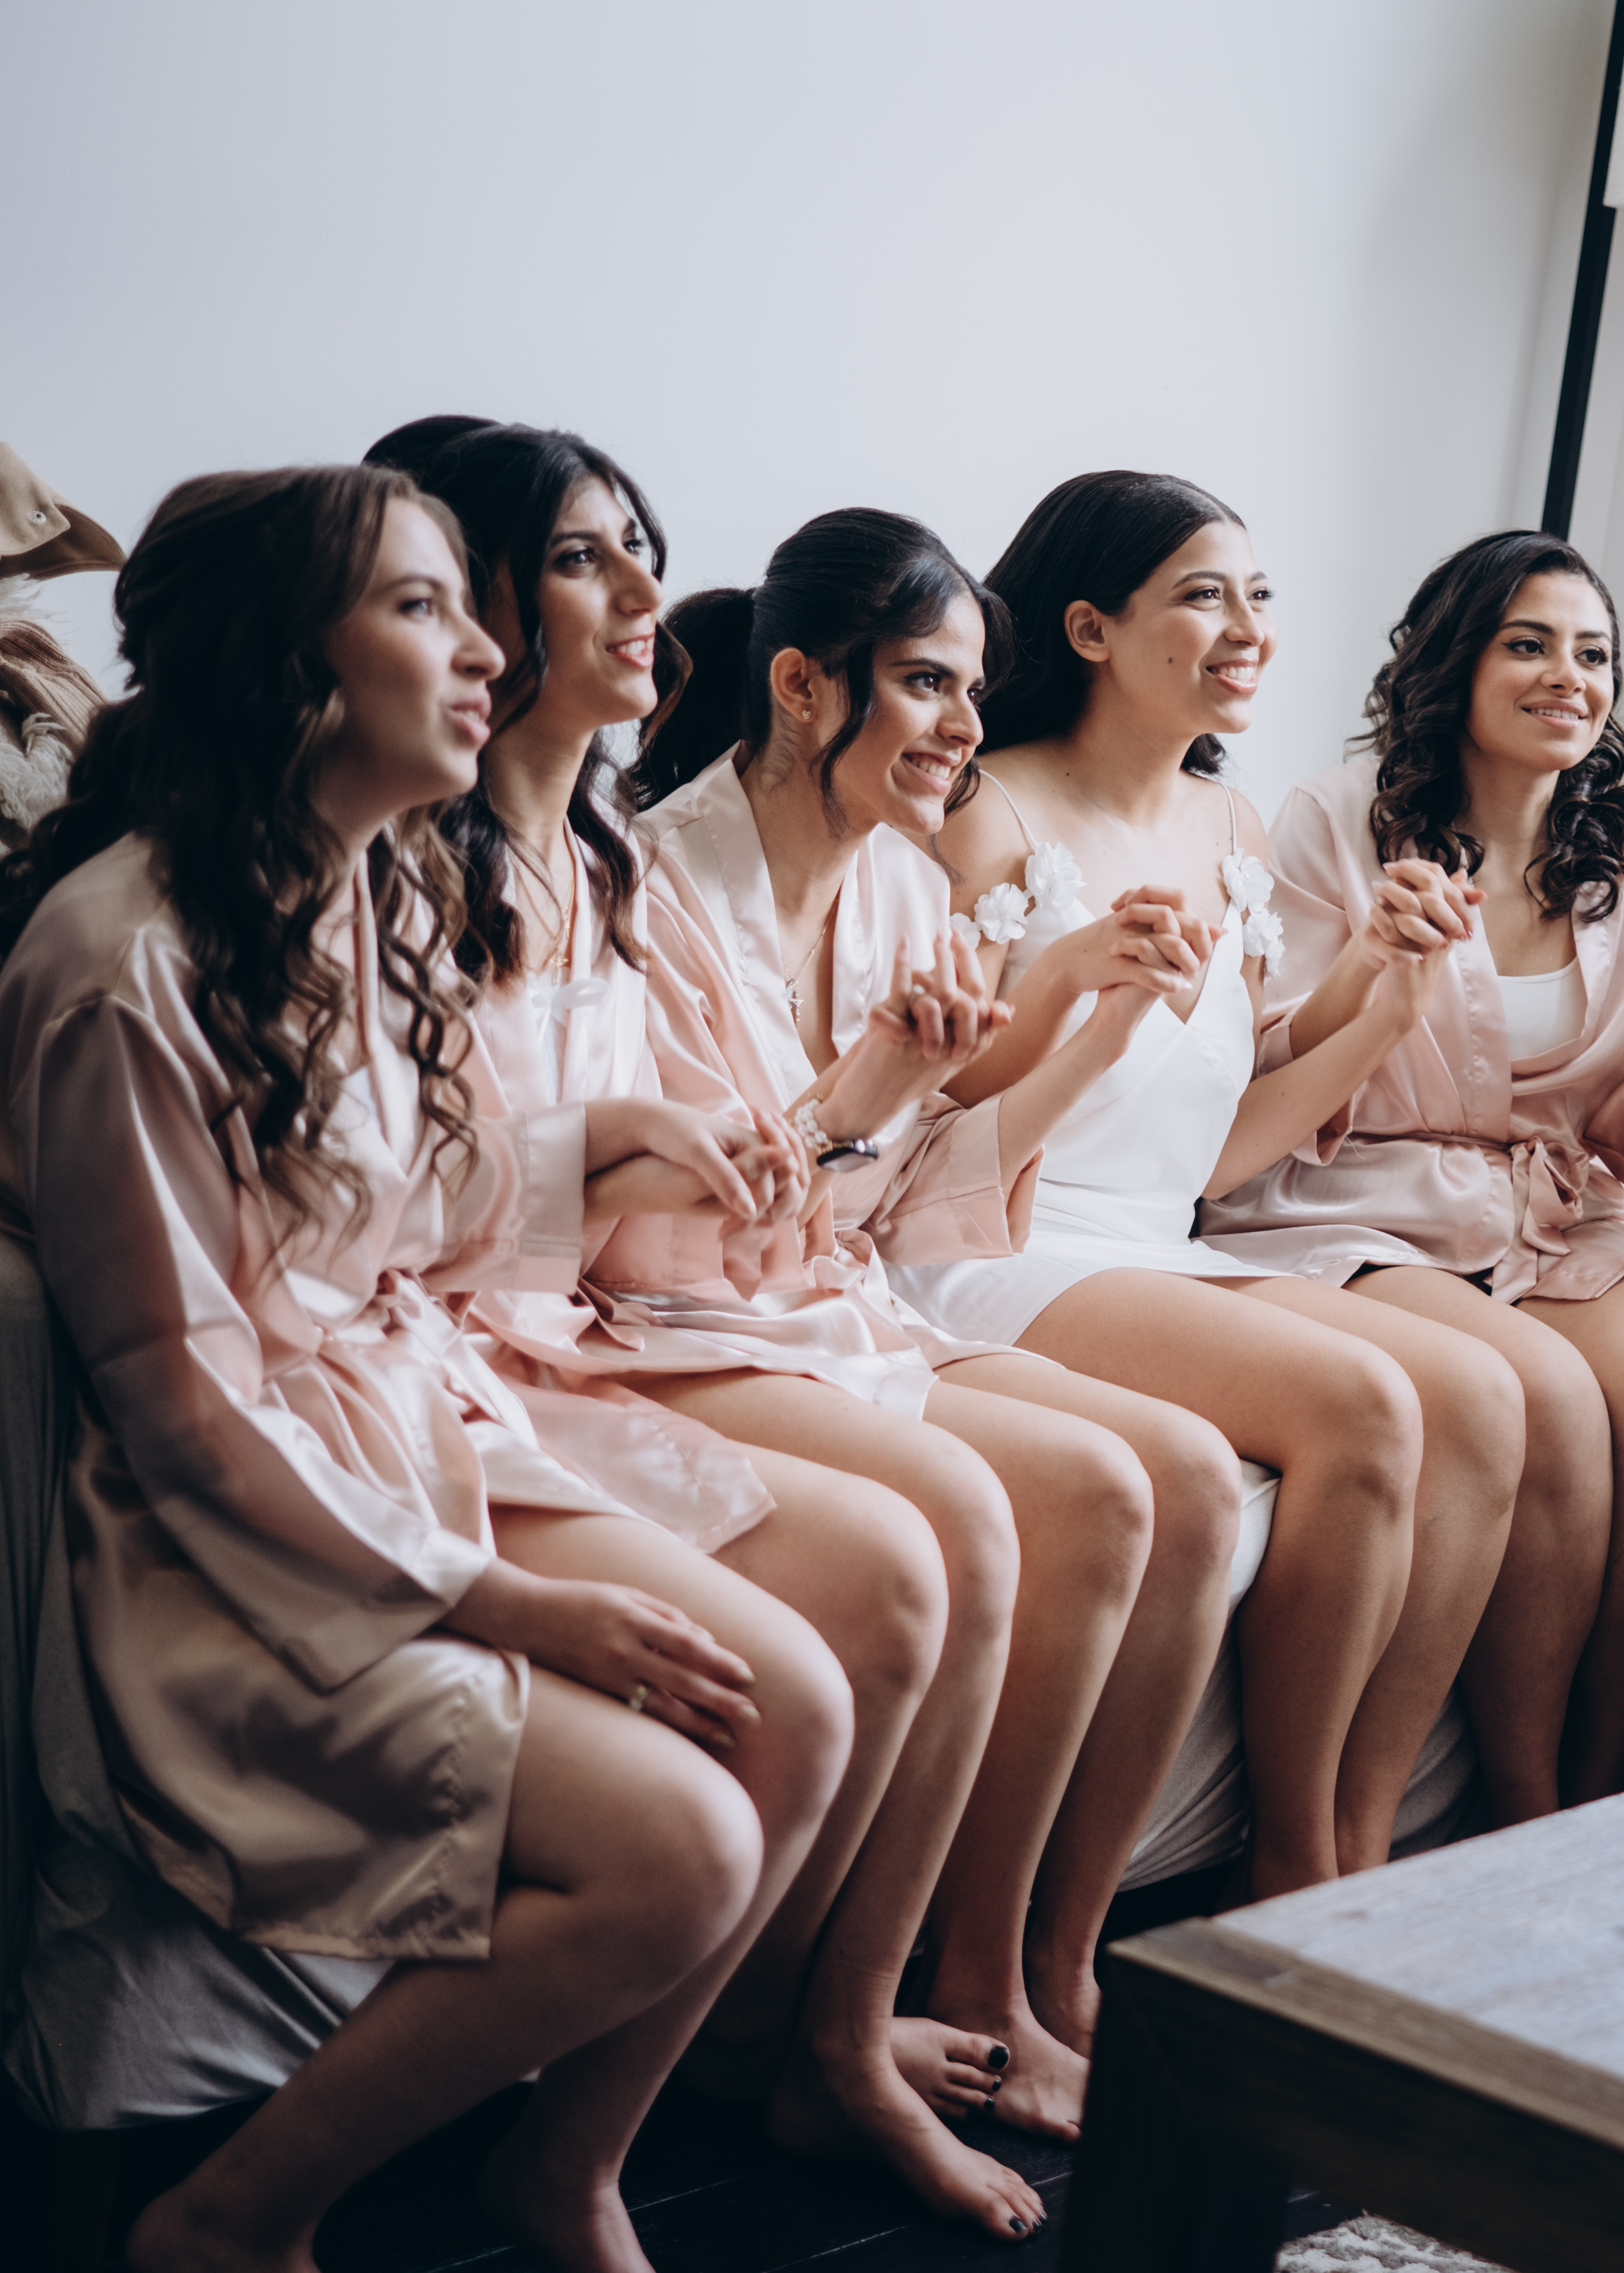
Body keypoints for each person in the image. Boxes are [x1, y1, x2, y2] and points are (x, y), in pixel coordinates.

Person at [0, 464, 859, 2273]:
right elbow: (187, 1405)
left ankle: (566, 2170)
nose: (488, 650)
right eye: (426, 608)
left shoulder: (359, 890)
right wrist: (514, 1607)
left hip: (402, 1432)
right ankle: (230, 2222)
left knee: (800, 1708)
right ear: (290, 664)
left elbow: (396, 1207)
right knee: (683, 1840)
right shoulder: (129, 967)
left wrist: (603, 1144)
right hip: (226, 1554)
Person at [428, 447, 1234, 2189]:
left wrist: (1068, 1017)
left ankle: (1003, 1975)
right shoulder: (659, 880)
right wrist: (871, 1090)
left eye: (970, 690)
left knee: (1145, 1481)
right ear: (803, 687)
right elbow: (660, 1239)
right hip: (666, 1324)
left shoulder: (898, 889)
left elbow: (906, 1203)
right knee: (971, 1517)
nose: (963, 727)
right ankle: (826, 2034)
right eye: (929, 683)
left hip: (817, 1298)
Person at [906, 469, 1522, 1895]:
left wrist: (1383, 1000)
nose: (1249, 629)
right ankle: (1298, 1858)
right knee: (1364, 1399)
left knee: (1484, 1395)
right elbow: (933, 1109)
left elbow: (1217, 1152)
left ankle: (1362, 1821)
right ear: (1090, 628)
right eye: (1203, 596)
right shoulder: (986, 815)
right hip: (998, 1238)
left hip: (1151, 1236)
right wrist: (1077, 988)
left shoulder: (1231, 831)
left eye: (1260, 596)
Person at [1198, 531, 1624, 1807]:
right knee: (1548, 1396)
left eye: (1593, 654)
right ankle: (1522, 1789)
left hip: (1552, 1212)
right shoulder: (1337, 819)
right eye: (1529, 645)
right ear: (1457, 662)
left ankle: (1602, 1787)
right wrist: (1372, 967)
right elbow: (1259, 1052)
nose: (1567, 676)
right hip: (1362, 1193)